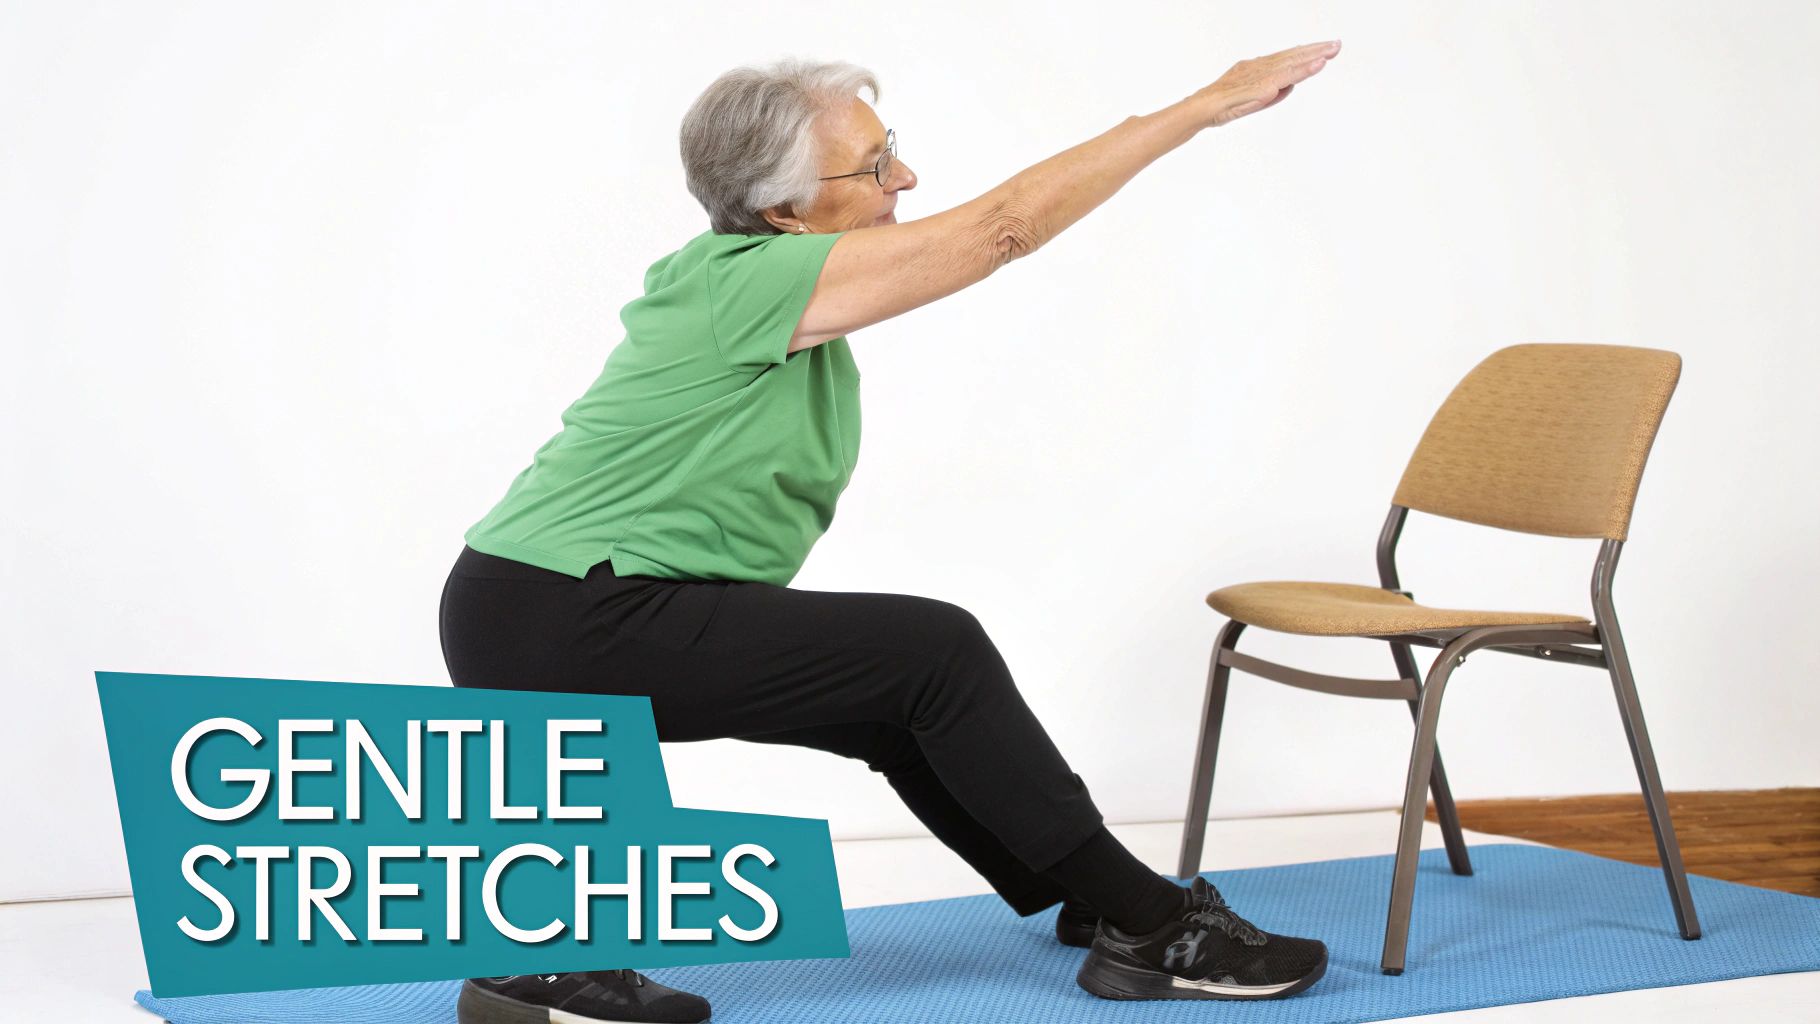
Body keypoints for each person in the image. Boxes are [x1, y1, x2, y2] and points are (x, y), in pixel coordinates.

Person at [439, 39, 1343, 1023]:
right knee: (929, 651)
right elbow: (1001, 228)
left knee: (896, 701)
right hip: (571, 608)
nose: (902, 178)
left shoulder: (762, 289)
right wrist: (1201, 106)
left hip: (547, 601)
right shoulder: (748, 279)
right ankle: (1152, 928)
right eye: (872, 168)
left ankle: (541, 970)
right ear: (783, 209)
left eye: (892, 151)